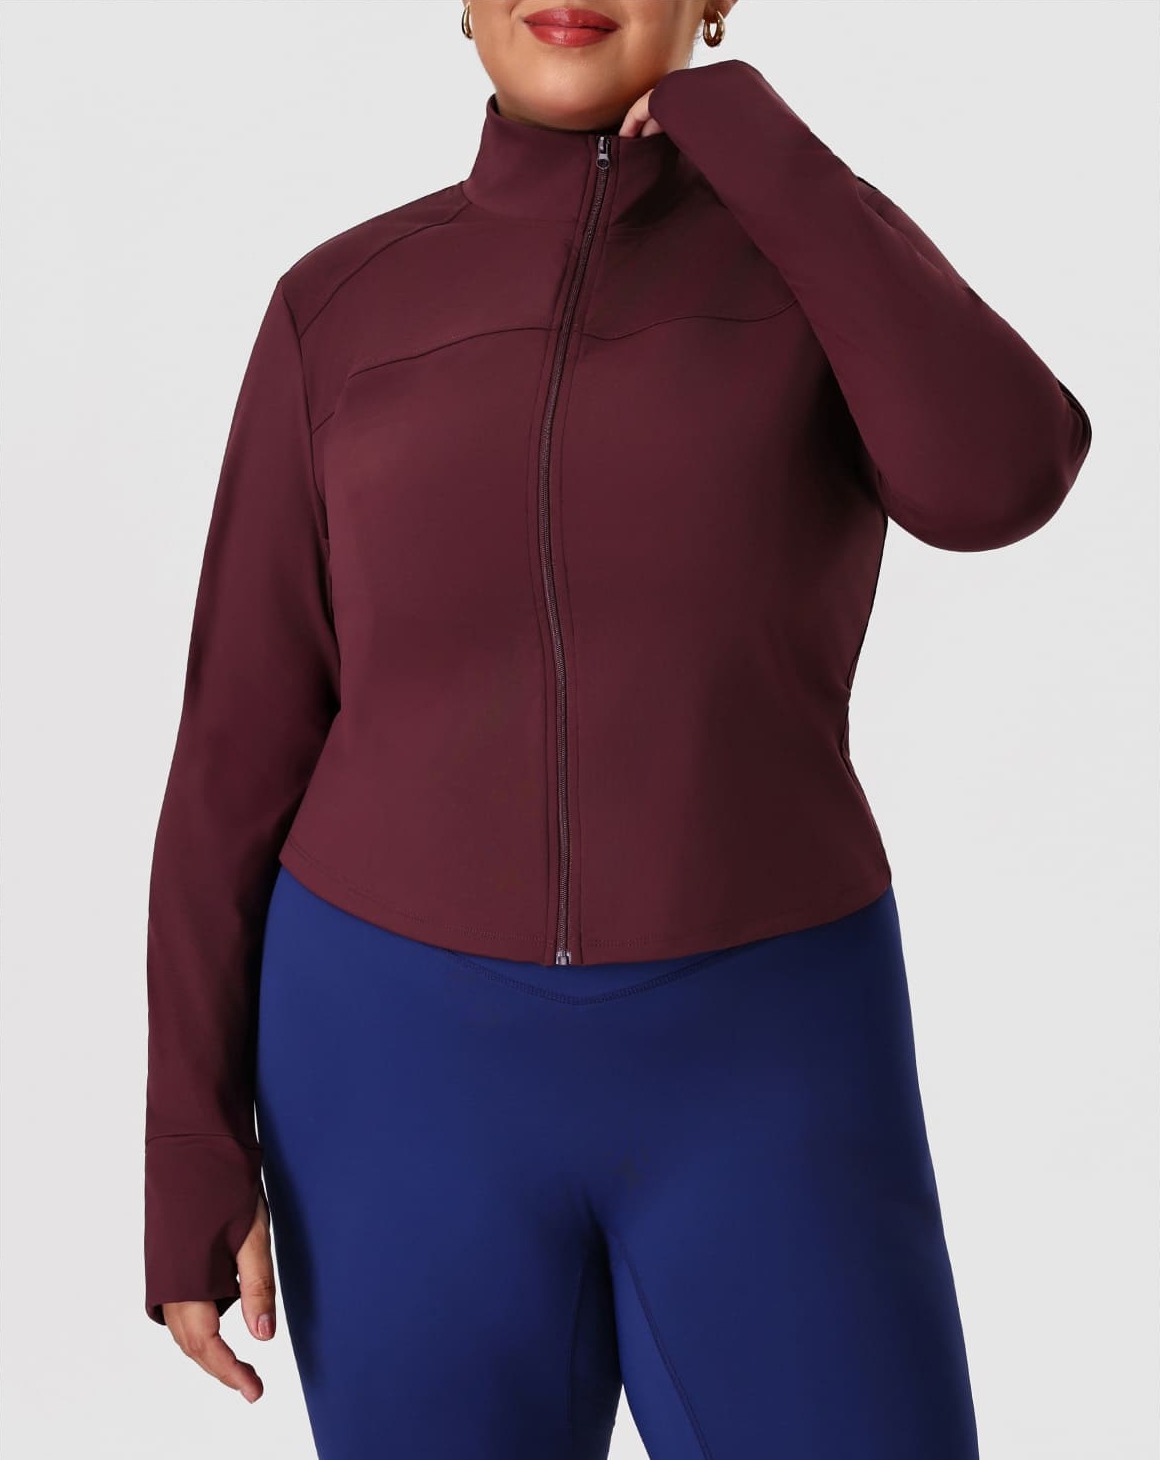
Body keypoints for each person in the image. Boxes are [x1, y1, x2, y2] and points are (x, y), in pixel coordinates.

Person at [142, 2, 1093, 1455]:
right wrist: (191, 1150)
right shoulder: (337, 307)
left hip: (767, 1055)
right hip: (391, 1070)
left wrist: (756, 137)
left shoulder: (818, 267)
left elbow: (1002, 478)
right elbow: (236, 746)